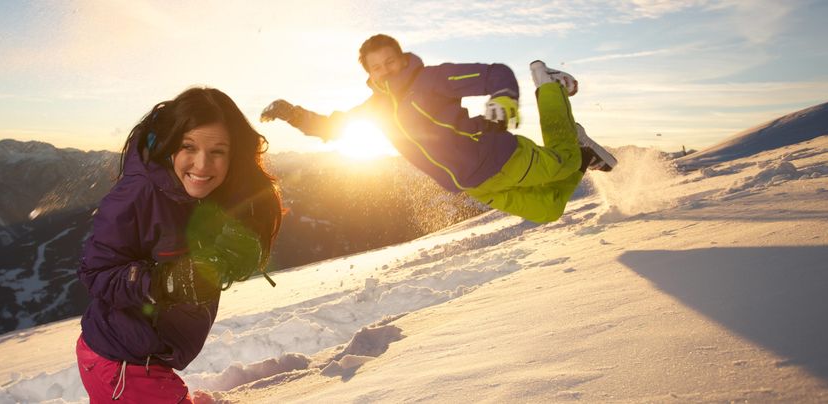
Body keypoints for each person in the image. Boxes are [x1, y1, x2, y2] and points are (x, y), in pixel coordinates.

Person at [261, 34, 617, 223]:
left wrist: (504, 102)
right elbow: (333, 127)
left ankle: (548, 84)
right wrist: (290, 113)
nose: (386, 70)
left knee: (565, 160)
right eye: (377, 67)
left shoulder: (433, 79)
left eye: (390, 61)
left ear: (402, 58)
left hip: (498, 157)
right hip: (474, 185)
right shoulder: (378, 108)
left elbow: (497, 74)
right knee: (549, 210)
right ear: (369, 75)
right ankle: (582, 153)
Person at [77, 87, 283, 402]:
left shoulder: (206, 195)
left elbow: (205, 261)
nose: (202, 165)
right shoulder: (137, 194)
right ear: (170, 145)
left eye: (217, 152)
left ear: (233, 155)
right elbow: (96, 272)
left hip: (137, 355)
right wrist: (165, 281)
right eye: (189, 146)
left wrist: (234, 257)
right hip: (122, 361)